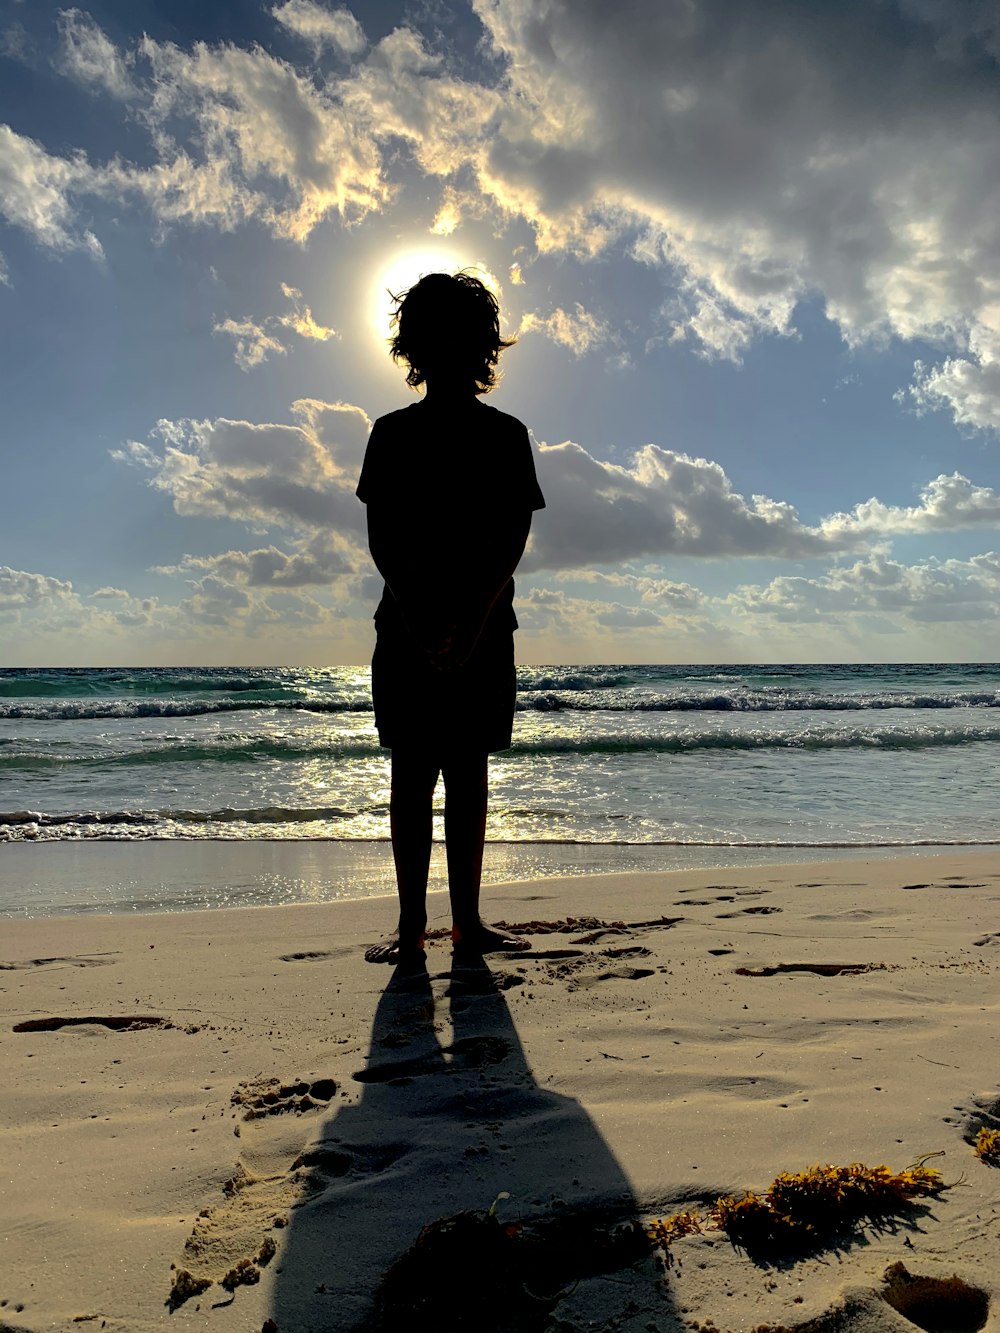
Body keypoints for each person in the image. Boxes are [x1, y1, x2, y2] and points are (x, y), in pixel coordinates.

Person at [356, 271, 545, 965]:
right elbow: (385, 541)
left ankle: (462, 923)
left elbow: (510, 543)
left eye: (456, 330)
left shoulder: (506, 436)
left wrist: (465, 622)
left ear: (480, 345)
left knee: (462, 775)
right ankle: (414, 928)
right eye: (435, 329)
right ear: (414, 346)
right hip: (419, 625)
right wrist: (423, 614)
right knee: (415, 776)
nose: (445, 342)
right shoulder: (391, 434)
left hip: (482, 624)